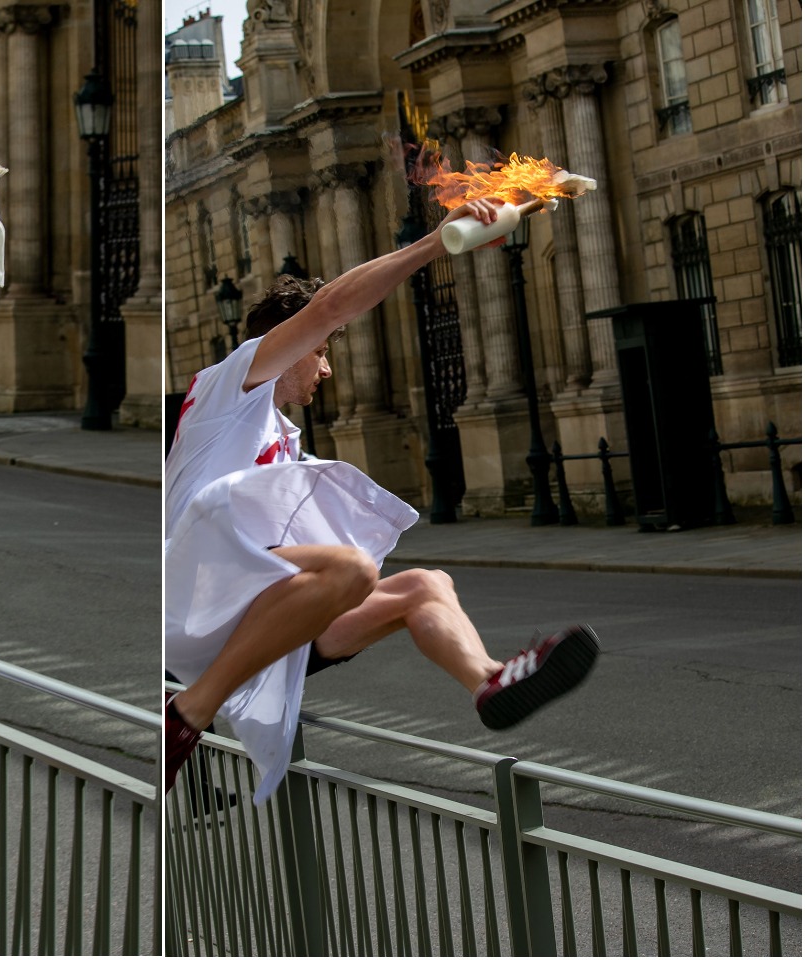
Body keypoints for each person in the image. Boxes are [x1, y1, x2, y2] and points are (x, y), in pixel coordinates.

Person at [164, 199, 599, 802]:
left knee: (428, 586)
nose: (327, 369)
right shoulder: (227, 389)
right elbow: (333, 305)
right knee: (353, 569)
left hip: (256, 617)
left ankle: (491, 681)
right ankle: (183, 717)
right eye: (320, 351)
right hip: (197, 593)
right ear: (287, 344)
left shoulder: (283, 442)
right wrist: (434, 243)